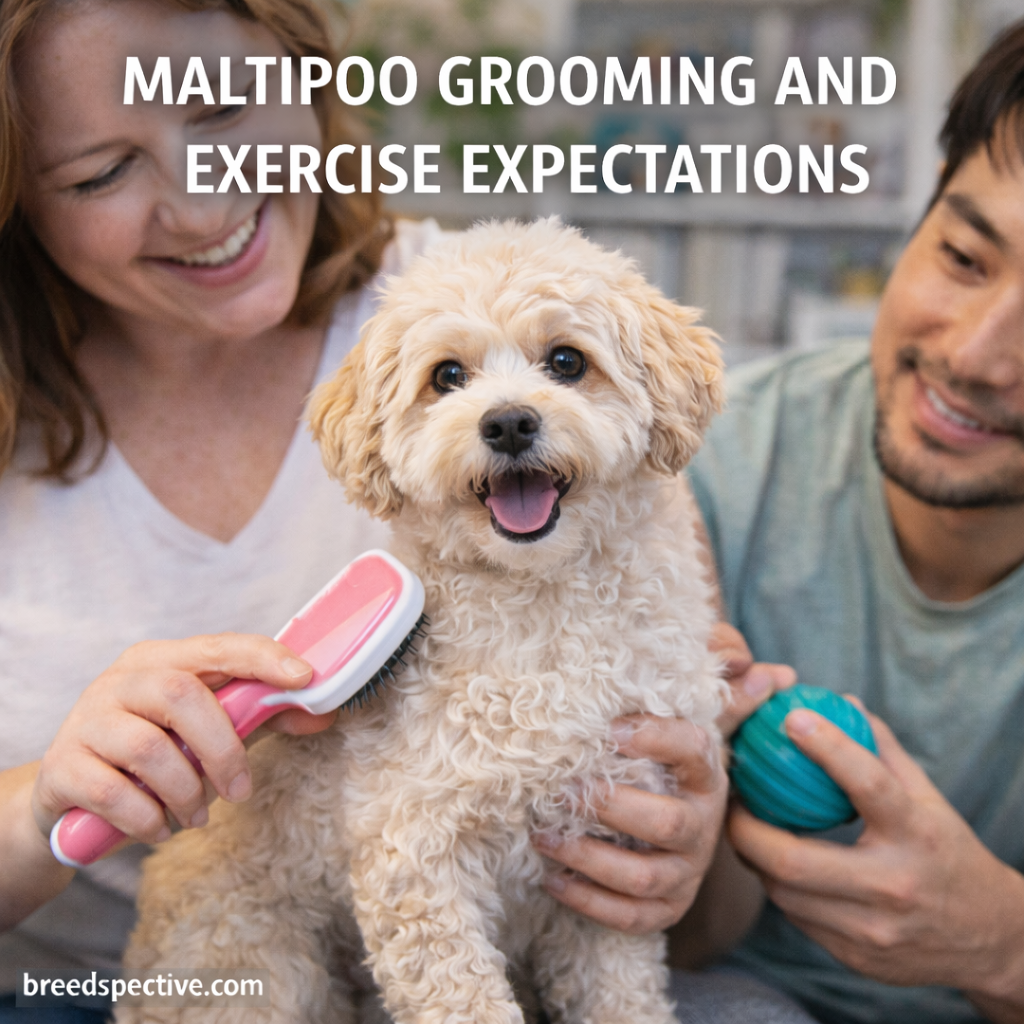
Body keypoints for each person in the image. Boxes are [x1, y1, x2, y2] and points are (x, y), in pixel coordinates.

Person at [0, 2, 797, 1022]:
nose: (201, 208)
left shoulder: (512, 302)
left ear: (305, 73)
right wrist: (38, 807)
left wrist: (683, 851)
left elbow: (706, 918)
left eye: (223, 110)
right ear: (17, 195)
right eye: (101, 173)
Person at [682, 20, 1024, 1024]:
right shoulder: (705, 468)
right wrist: (701, 808)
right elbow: (690, 937)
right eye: (963, 256)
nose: (973, 354)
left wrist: (1000, 939)